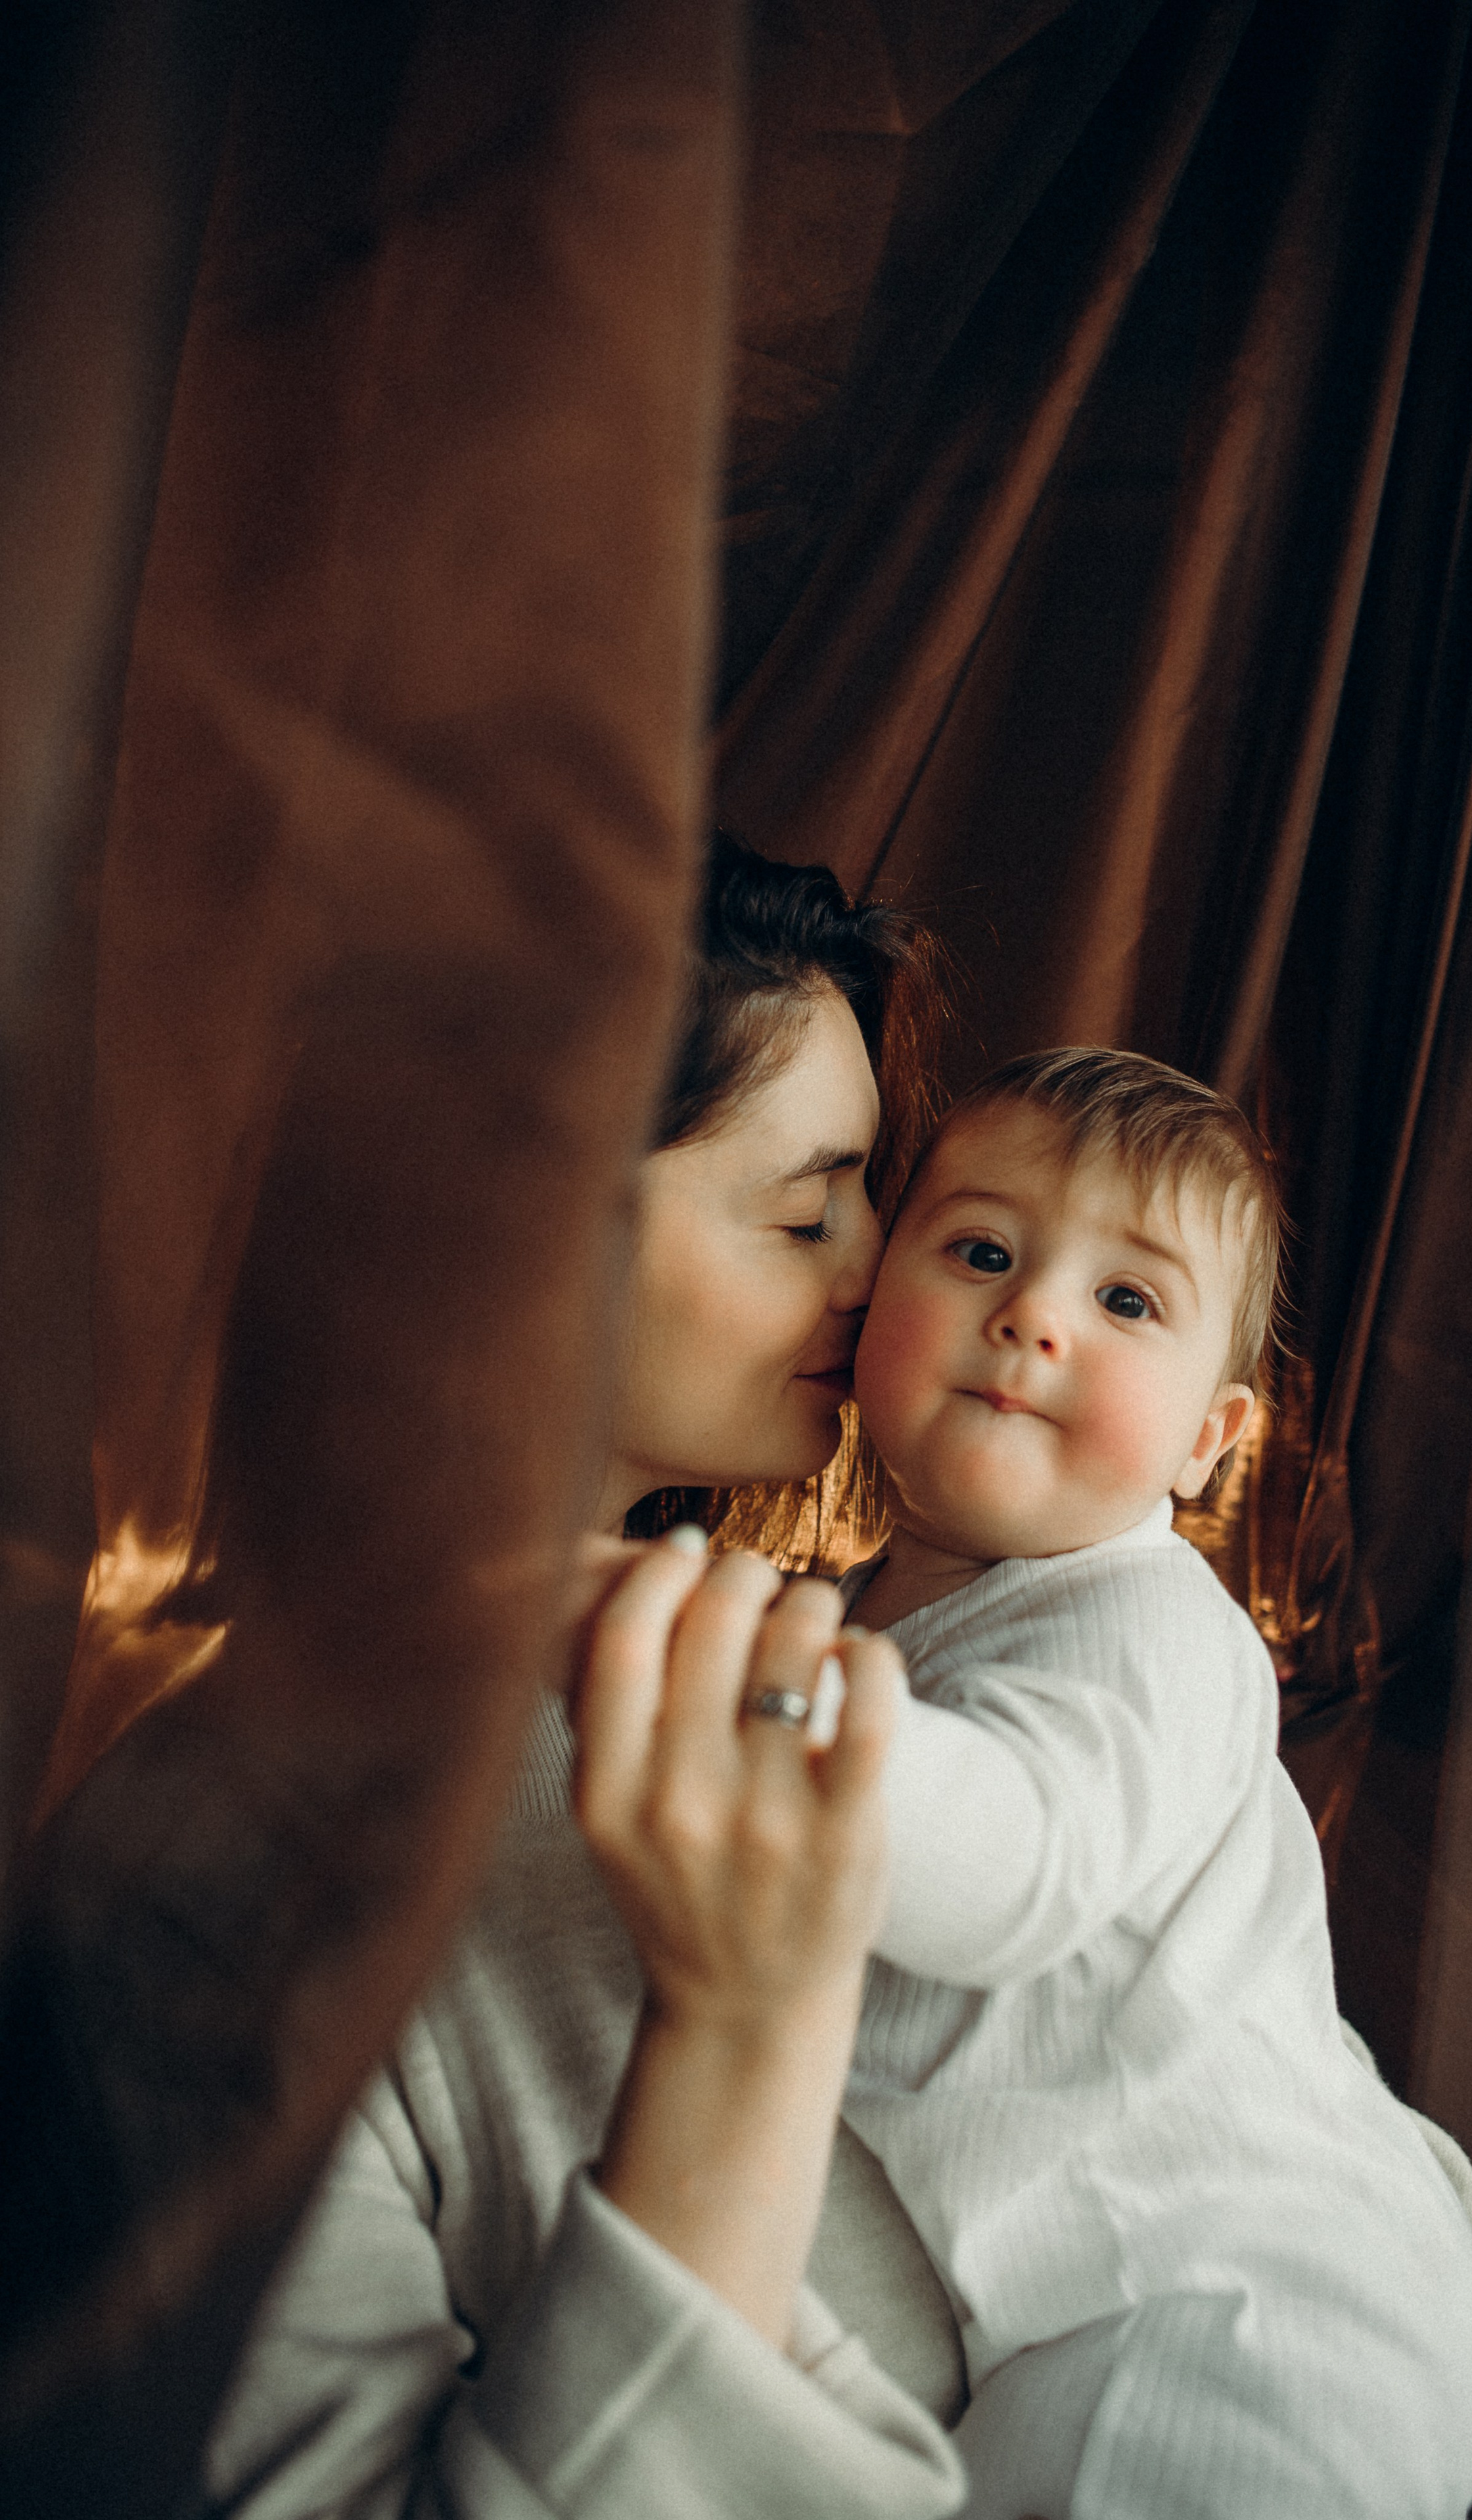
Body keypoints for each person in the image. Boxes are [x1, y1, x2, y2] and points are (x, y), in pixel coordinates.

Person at [198, 838, 967, 2518]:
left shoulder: (871, 1678)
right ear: (518, 1225)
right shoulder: (237, 1860)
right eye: (802, 1209)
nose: (878, 1270)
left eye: (874, 1198)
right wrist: (741, 2032)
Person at [839, 1045, 1472, 2519]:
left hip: (1249, 2312)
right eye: (980, 1251)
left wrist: (741, 1691)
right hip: (1062, 2308)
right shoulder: (849, 1619)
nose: (1030, 1315)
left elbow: (1001, 1866)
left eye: (1123, 1298)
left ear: (1207, 1442)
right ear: (871, 1290)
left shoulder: (1143, 1626)